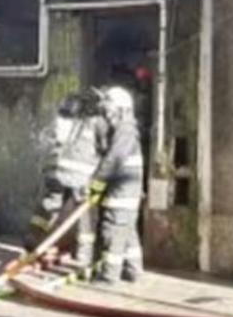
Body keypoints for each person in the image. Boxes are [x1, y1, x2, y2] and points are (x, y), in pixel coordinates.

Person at [24, 91, 102, 269]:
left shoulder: (60, 119)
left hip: (55, 171)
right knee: (85, 215)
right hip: (80, 176)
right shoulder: (93, 124)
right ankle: (84, 256)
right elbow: (102, 149)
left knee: (48, 206)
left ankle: (33, 240)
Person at [87, 85, 145, 284]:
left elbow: (113, 159)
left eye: (109, 110)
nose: (106, 115)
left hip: (122, 193)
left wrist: (96, 183)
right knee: (127, 232)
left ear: (121, 110)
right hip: (126, 192)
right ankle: (133, 271)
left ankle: (109, 275)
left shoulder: (125, 130)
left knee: (112, 230)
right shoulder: (124, 130)